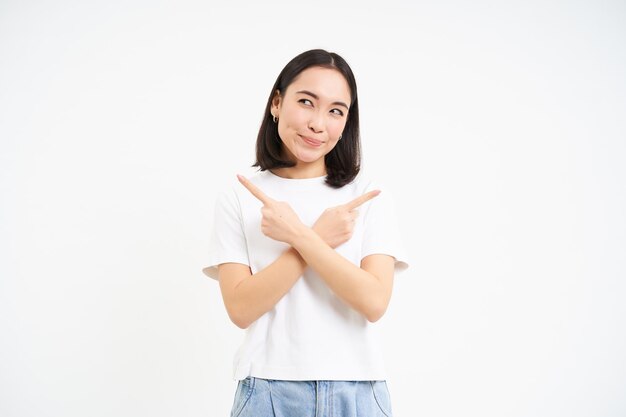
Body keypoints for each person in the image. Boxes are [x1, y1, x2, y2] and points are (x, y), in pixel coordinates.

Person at [203, 49, 408, 417]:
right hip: (266, 391)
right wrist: (313, 238)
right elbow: (241, 308)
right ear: (277, 103)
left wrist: (300, 235)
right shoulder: (240, 196)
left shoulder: (368, 197)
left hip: (357, 391)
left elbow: (374, 302)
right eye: (306, 102)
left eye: (335, 111)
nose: (317, 123)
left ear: (347, 122)